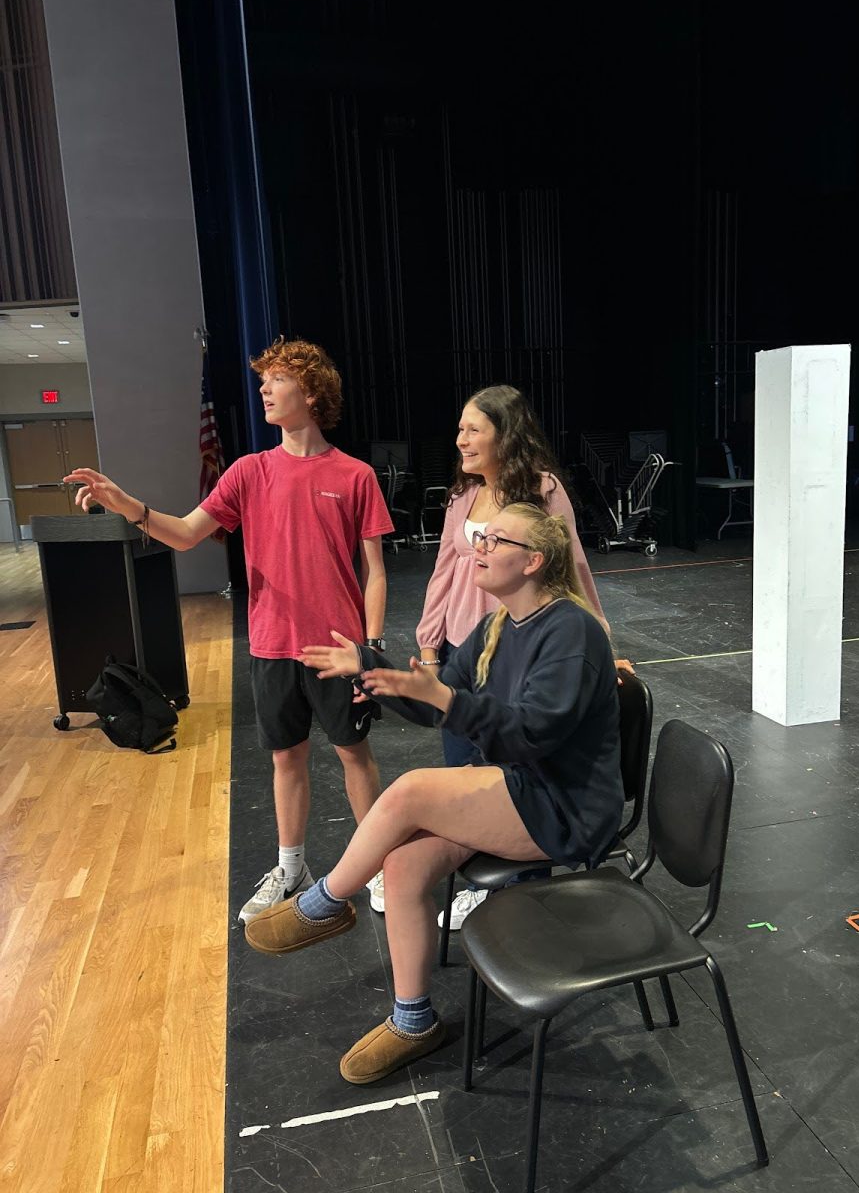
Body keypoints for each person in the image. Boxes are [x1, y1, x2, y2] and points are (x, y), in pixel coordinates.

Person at [244, 503, 624, 1086]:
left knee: (413, 788)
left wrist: (445, 699)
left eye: (497, 540)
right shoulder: (498, 625)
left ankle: (324, 903)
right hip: (520, 787)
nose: (482, 546)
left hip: (564, 806)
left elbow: (529, 733)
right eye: (483, 536)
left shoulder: (571, 631)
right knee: (403, 865)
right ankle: (413, 1020)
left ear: (535, 561)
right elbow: (437, 701)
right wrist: (369, 671)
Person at [64, 337, 394, 921]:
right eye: (262, 380)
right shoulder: (248, 472)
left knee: (353, 754)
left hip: (338, 649)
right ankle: (292, 868)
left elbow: (373, 570)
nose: (263, 389)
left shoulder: (355, 475)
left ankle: (375, 868)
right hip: (272, 645)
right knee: (285, 759)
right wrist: (128, 505)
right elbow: (187, 532)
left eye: (276, 380)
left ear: (311, 392)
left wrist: (370, 649)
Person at [415, 384, 632, 929]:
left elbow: (574, 566)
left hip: (524, 649)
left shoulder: (542, 490)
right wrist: (428, 646)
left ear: (503, 435)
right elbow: (444, 570)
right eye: (460, 429)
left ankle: (521, 900)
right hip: (470, 649)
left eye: (472, 429)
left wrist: (600, 643)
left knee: (522, 772)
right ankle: (481, 873)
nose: (460, 439)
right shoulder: (462, 496)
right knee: (465, 772)